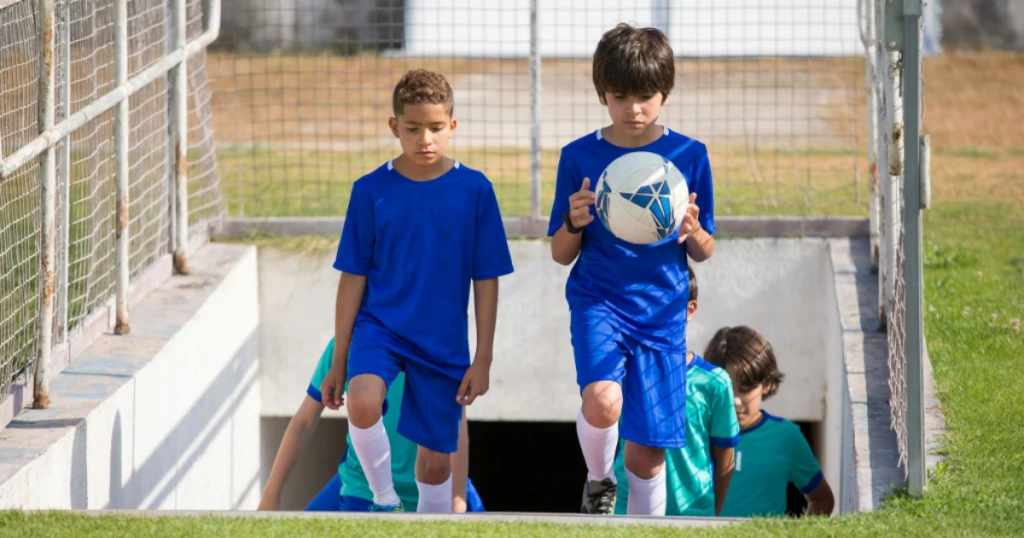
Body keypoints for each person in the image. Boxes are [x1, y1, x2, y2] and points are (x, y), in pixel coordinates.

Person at [318, 69, 514, 513]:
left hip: (442, 341)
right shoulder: (369, 191)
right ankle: (384, 501)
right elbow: (352, 278)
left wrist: (482, 357)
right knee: (364, 402)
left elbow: (487, 280)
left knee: (434, 466)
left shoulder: (476, 190)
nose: (425, 138)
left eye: (436, 128)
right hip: (380, 328)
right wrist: (340, 357)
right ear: (394, 127)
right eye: (412, 128)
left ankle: (429, 524)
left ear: (452, 127)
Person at [548, 23, 717, 515]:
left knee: (646, 459)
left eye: (646, 96)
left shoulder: (690, 156)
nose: (634, 108)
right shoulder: (579, 156)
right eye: (620, 96)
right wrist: (573, 222)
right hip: (598, 301)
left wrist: (695, 234)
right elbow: (561, 254)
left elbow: (704, 250)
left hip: (662, 311)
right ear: (602, 93)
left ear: (666, 93)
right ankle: (599, 480)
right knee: (602, 402)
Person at [258, 339, 485, 512]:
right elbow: (304, 421)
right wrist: (270, 496)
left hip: (435, 486)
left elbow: (457, 428)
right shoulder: (347, 344)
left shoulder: (443, 344)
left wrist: (457, 500)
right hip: (362, 484)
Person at [612, 267, 739, 516]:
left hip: (691, 515)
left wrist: (711, 514)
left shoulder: (715, 382)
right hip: (625, 513)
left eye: (666, 301)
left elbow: (725, 459)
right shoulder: (621, 371)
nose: (654, 312)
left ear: (690, 309)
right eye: (647, 302)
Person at [704, 326, 836, 517]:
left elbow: (822, 499)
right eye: (726, 389)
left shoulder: (786, 437)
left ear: (766, 384)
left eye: (745, 388)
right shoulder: (695, 432)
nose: (735, 400)